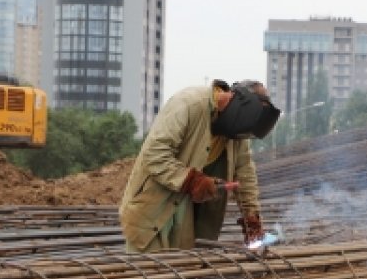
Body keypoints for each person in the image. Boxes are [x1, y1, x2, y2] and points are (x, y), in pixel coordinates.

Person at [119, 79, 281, 253]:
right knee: (151, 276)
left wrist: (252, 220)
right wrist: (193, 181)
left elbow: (245, 176)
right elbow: (154, 154)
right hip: (153, 210)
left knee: (180, 275)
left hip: (186, 217)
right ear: (242, 105)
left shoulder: (236, 133)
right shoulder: (188, 104)